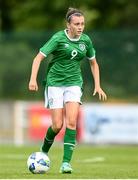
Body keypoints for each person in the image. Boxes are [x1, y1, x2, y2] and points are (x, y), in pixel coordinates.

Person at [28, 7, 107, 173]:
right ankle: (43, 151)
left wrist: (98, 85)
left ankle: (65, 163)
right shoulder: (58, 38)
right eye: (77, 24)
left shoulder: (86, 40)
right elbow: (38, 58)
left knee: (71, 122)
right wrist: (33, 79)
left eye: (83, 24)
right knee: (57, 125)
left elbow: (94, 63)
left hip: (74, 83)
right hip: (55, 83)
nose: (80, 27)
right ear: (68, 25)